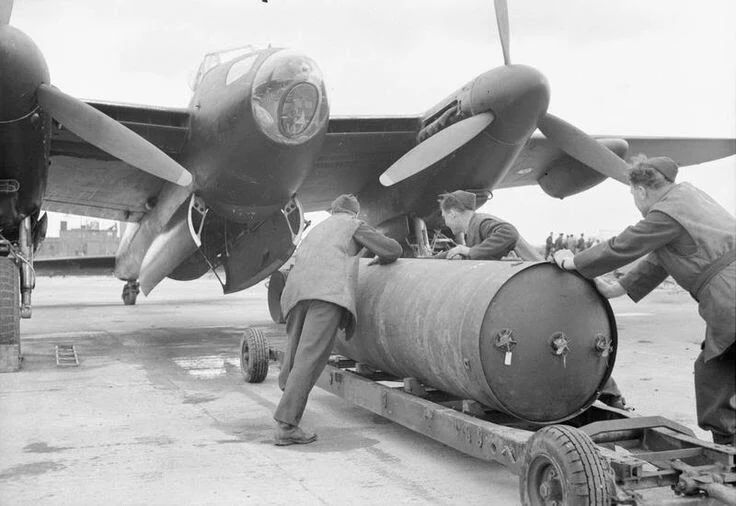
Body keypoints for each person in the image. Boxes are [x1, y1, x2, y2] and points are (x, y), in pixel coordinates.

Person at [554, 155, 735, 445]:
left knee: (717, 372)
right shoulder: (688, 199)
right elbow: (660, 260)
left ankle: (728, 450)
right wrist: (617, 288)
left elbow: (626, 244)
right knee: (715, 370)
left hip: (729, 294)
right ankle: (728, 448)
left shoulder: (666, 212)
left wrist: (572, 262)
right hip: (727, 294)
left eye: (632, 195)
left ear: (640, 190)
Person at [275, 194, 402, 445]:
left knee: (294, 354)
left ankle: (287, 391)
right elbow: (392, 249)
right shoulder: (353, 225)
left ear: (333, 210)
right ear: (353, 214)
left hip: (295, 292)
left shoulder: (318, 229)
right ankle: (287, 426)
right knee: (310, 360)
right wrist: (380, 257)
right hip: (326, 295)